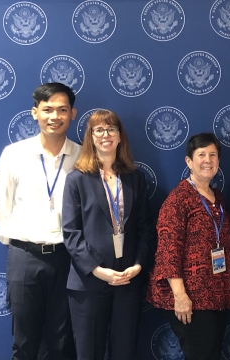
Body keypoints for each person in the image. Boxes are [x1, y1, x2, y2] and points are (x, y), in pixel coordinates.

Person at [0, 82, 79, 360]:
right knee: (24, 342)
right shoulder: (14, 154)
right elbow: (1, 207)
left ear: (73, 114)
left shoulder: (82, 156)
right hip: (24, 257)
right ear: (35, 113)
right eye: (48, 109)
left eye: (62, 110)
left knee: (63, 342)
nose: (55, 116)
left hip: (67, 258)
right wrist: (19, 241)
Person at [61, 110, 153, 360]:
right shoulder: (77, 180)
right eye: (98, 130)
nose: (106, 135)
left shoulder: (136, 178)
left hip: (127, 280)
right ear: (90, 137)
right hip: (89, 282)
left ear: (120, 136)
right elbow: (71, 233)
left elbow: (145, 227)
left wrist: (138, 265)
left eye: (111, 129)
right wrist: (97, 270)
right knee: (88, 352)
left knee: (125, 352)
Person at [147, 133, 230, 360]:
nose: (208, 160)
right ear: (189, 161)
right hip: (191, 297)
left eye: (213, 155)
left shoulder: (218, 197)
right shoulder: (179, 199)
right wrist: (180, 296)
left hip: (216, 294)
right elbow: (168, 251)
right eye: (201, 155)